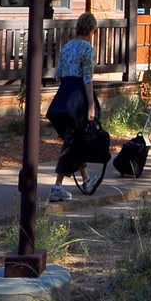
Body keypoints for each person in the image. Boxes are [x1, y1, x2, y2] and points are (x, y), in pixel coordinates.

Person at [46, 11, 98, 202]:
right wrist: (91, 104)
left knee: (72, 138)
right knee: (72, 139)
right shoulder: (87, 49)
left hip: (62, 96)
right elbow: (87, 78)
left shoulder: (67, 47)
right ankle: (57, 186)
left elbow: (58, 74)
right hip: (77, 97)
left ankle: (86, 179)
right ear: (92, 29)